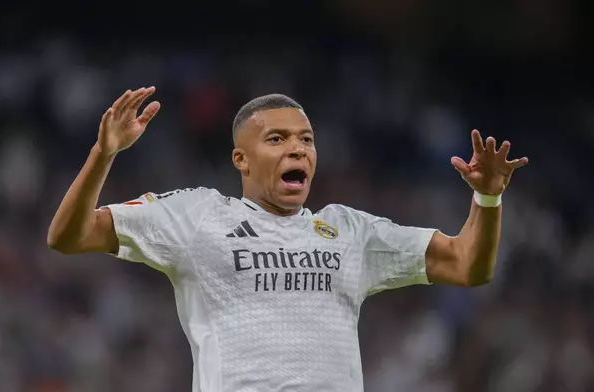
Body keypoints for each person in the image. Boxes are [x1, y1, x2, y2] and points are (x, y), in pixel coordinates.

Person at [47, 86, 529, 391]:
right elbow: (70, 236)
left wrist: (487, 200)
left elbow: (469, 265)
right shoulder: (197, 215)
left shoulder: (348, 231)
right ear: (241, 159)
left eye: (306, 139)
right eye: (276, 139)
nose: (297, 147)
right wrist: (103, 153)